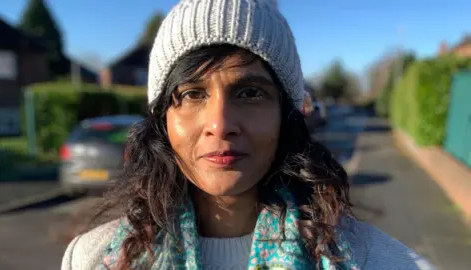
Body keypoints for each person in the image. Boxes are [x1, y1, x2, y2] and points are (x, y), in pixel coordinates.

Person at [62, 0, 436, 269]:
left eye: (250, 92)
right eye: (193, 94)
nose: (221, 123)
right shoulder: (95, 260)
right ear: (163, 120)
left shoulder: (375, 260)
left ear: (285, 115)